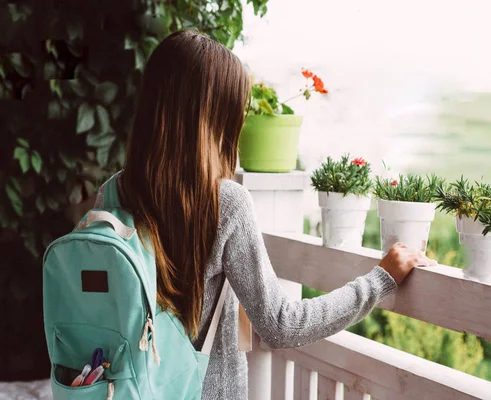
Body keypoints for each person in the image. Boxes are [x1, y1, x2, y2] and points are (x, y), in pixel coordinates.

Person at [96, 29, 437, 399]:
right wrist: (379, 280)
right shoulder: (226, 203)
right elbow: (281, 324)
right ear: (216, 117)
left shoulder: (113, 193)